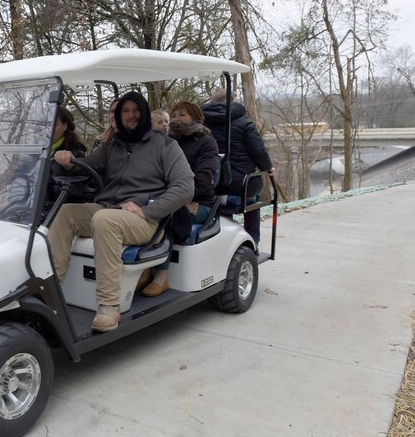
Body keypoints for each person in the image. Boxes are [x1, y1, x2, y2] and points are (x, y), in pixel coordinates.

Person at [50, 91, 194, 332]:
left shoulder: (165, 145)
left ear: (145, 113)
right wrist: (67, 162)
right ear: (118, 115)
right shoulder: (112, 145)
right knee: (66, 213)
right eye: (125, 111)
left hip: (145, 220)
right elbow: (86, 167)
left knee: (105, 219)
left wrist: (149, 210)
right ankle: (51, 296)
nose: (131, 115)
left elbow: (185, 186)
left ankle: (109, 305)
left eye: (136, 110)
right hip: (110, 209)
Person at [140, 101, 219, 297]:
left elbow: (202, 183)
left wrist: (170, 195)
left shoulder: (206, 142)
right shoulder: (168, 141)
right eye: (173, 115)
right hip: (170, 198)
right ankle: (141, 268)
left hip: (200, 203)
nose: (175, 119)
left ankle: (161, 276)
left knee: (167, 213)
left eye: (182, 115)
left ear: (196, 117)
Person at [202, 89, 273, 244]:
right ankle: (253, 241)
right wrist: (268, 168)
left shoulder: (201, 122)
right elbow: (258, 150)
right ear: (233, 101)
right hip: (238, 183)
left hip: (209, 183)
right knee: (253, 199)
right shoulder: (244, 122)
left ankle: (222, 236)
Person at [5, 107, 86, 219]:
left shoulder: (75, 153)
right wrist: (17, 205)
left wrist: (68, 166)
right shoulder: (33, 151)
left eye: (54, 124)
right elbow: (19, 178)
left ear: (65, 126)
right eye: (45, 125)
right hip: (26, 213)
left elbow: (77, 183)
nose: (48, 129)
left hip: (54, 214)